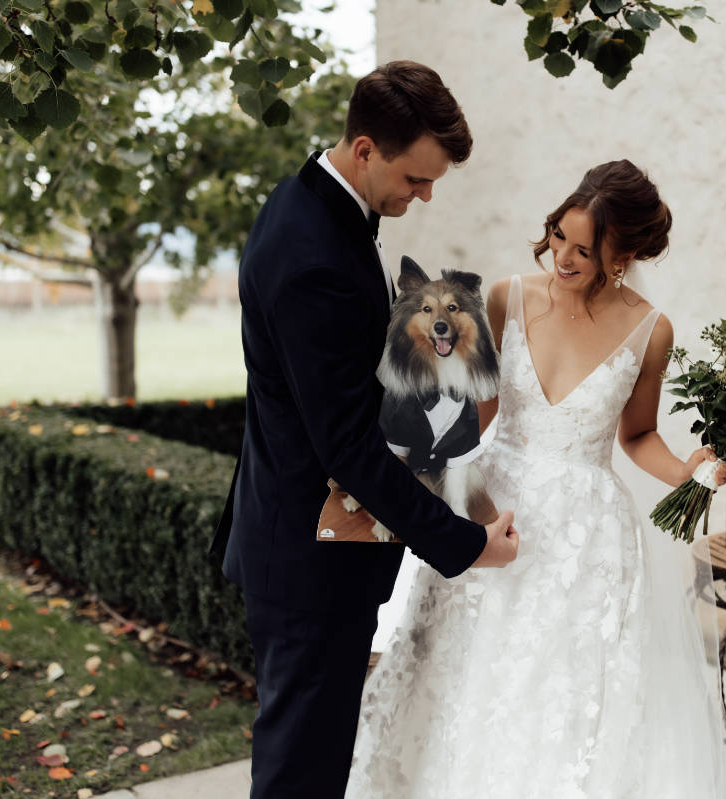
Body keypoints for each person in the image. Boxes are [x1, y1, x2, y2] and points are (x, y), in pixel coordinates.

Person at [346, 160, 726, 796]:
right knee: (460, 680)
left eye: (584, 250)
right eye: (559, 236)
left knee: (559, 699)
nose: (562, 257)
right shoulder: (506, 298)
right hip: (492, 506)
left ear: (622, 255)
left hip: (584, 542)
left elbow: (637, 435)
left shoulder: (651, 330)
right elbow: (472, 418)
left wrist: (690, 472)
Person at [210, 61, 520, 799]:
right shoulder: (313, 252)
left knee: (309, 758)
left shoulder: (312, 203)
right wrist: (464, 541)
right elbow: (345, 444)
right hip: (308, 557)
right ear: (365, 151)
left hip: (306, 539)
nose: (424, 196)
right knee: (299, 771)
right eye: (416, 180)